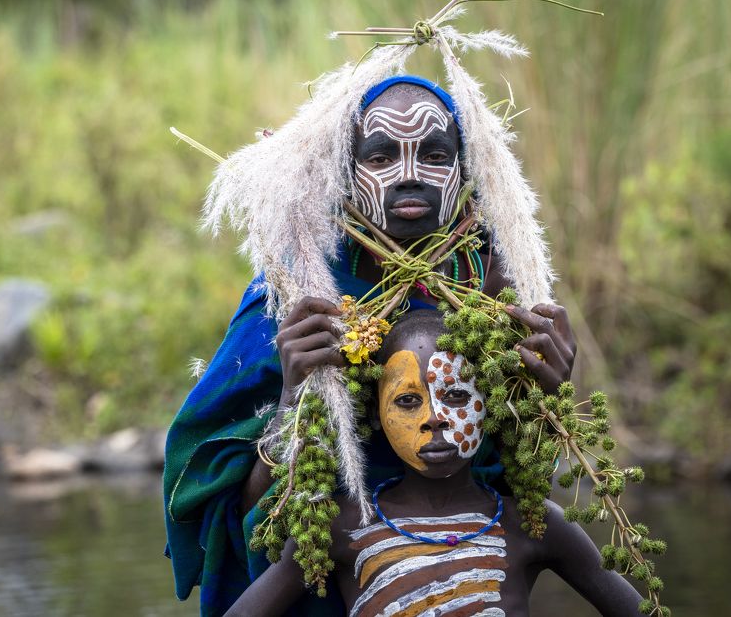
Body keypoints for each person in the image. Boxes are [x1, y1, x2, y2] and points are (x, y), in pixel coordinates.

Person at [163, 75, 578, 616]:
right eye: (381, 156)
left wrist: (547, 399)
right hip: (320, 570)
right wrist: (294, 401)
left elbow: (516, 489)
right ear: (345, 175)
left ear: (467, 171)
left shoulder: (495, 281)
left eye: (434, 154)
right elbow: (236, 508)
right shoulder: (299, 291)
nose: (410, 176)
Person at [224, 310, 640, 617]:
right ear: (375, 417)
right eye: (407, 401)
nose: (434, 417)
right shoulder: (341, 526)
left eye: (457, 395)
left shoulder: (532, 524)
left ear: (490, 404)